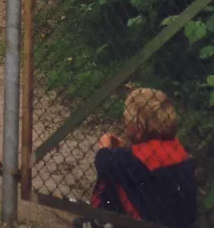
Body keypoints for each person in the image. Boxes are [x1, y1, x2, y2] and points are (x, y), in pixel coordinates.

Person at [74, 88, 197, 228]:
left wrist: (105, 147)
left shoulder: (139, 159)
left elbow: (104, 163)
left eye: (126, 120)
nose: (124, 123)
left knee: (111, 173)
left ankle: (99, 221)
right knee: (120, 168)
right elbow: (136, 162)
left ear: (138, 130)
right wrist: (122, 151)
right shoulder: (175, 148)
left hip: (146, 223)